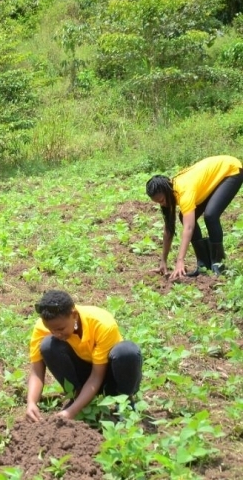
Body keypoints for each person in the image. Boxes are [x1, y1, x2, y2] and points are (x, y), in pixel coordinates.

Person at [25, 290, 142, 423]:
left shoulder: (102, 324)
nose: (56, 333)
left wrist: (72, 411)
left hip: (110, 376)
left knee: (126, 351)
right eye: (51, 330)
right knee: (48, 345)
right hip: (84, 375)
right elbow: (36, 372)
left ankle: (124, 401)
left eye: (61, 329)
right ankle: (78, 397)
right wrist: (31, 403)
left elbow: (97, 376)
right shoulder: (44, 327)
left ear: (74, 315)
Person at [146, 155, 243, 278]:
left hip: (230, 170)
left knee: (211, 215)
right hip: (209, 180)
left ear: (167, 190)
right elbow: (168, 230)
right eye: (158, 202)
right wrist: (163, 261)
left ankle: (219, 264)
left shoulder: (184, 191)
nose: (162, 204)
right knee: (183, 216)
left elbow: (189, 227)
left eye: (162, 200)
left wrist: (180, 260)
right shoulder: (169, 193)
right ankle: (203, 265)